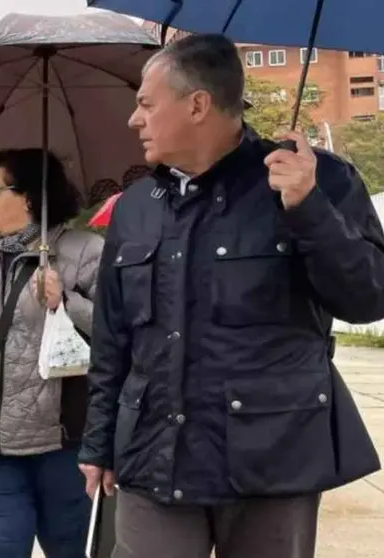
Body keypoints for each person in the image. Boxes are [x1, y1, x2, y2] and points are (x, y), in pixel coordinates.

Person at [78, 33, 384, 558]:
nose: (135, 120)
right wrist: (99, 440)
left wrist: (308, 209)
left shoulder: (317, 180)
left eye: (146, 104)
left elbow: (368, 299)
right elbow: (113, 338)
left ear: (197, 104)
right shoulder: (136, 206)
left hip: (272, 459)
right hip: (155, 454)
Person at [0, 148, 104, 557]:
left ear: (29, 196)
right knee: (1, 551)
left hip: (64, 445)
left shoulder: (85, 251)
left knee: (68, 551)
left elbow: (118, 332)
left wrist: (65, 301)